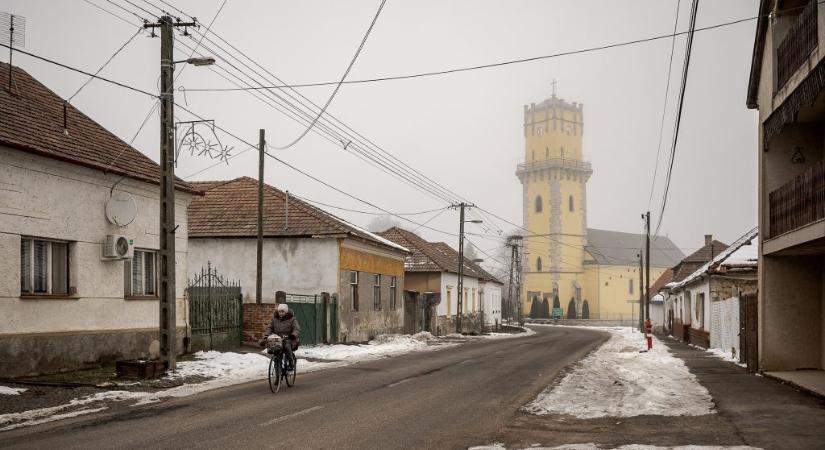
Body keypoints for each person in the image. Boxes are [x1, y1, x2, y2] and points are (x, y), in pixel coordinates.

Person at [263, 303, 300, 369]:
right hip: (278, 339)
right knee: (276, 349)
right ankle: (277, 368)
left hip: (289, 339)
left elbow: (296, 329)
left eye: (283, 311)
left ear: (286, 312)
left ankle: (291, 362)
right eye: (279, 311)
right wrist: (267, 335)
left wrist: (293, 335)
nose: (281, 313)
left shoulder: (292, 320)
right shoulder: (274, 319)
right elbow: (269, 327)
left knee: (286, 346)